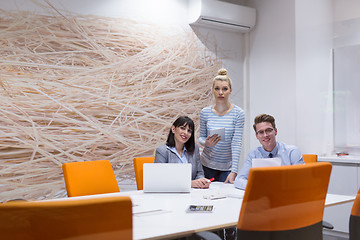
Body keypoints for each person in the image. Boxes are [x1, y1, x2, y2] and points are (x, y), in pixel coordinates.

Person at [234, 113, 305, 190]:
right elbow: (239, 180)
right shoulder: (253, 155)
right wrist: (257, 186)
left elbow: (301, 179)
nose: (265, 135)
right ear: (257, 136)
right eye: (261, 132)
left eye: (268, 130)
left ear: (275, 131)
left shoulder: (292, 152)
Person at [199, 68, 245, 183]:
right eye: (217, 89)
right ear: (213, 90)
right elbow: (201, 137)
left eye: (224, 89)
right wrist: (206, 143)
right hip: (206, 165)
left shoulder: (238, 114)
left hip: (227, 168)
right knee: (205, 198)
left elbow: (236, 143)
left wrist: (234, 171)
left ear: (230, 90)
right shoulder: (205, 112)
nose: (220, 92)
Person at [155, 116, 211, 189]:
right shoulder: (162, 151)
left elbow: (199, 172)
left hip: (193, 193)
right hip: (171, 195)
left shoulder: (195, 148)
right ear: (173, 129)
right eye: (182, 128)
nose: (185, 133)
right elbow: (160, 180)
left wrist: (201, 182)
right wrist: (189, 183)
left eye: (189, 131)